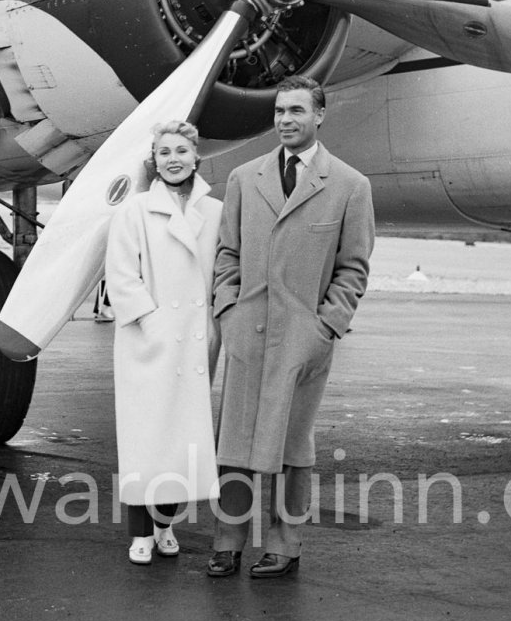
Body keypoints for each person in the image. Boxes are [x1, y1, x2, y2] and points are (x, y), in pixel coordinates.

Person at [208, 75, 374, 579]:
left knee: (292, 445)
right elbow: (227, 254)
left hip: (303, 340)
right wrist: (227, 310)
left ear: (319, 116)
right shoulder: (244, 178)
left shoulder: (349, 186)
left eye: (297, 111)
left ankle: (285, 542)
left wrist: (326, 328)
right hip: (246, 333)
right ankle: (227, 538)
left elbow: (353, 268)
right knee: (233, 442)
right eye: (280, 111)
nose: (285, 120)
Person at [104, 119, 222, 565]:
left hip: (193, 342)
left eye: (181, 151)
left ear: (196, 156)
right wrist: (152, 326)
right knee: (144, 437)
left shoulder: (215, 212)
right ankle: (139, 531)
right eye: (164, 152)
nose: (173, 159)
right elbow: (121, 278)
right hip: (147, 343)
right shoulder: (134, 211)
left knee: (183, 440)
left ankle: (165, 524)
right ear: (154, 160)